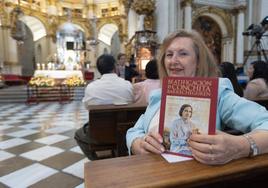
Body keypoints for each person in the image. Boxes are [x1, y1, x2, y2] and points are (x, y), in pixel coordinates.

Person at [126, 29, 268, 165]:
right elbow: (134, 130)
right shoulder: (160, 95)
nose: (173, 60)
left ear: (199, 61)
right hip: (153, 173)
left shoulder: (216, 92)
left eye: (183, 54)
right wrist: (138, 144)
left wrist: (241, 146)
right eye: (169, 55)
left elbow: (265, 121)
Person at [75, 54, 134, 159]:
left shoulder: (91, 87)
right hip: (124, 132)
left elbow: (87, 106)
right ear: (115, 67)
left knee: (78, 134)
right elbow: (132, 101)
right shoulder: (127, 85)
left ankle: (97, 160)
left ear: (99, 69)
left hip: (98, 133)